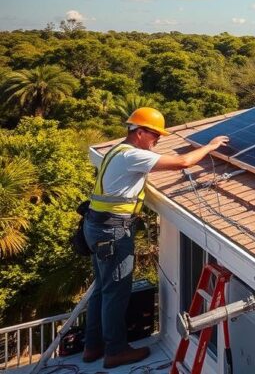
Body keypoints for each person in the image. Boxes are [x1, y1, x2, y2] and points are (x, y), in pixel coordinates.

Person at [84, 107, 228, 368]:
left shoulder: (118, 150)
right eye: (155, 136)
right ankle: (115, 351)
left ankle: (92, 347)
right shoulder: (133, 156)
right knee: (115, 293)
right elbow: (183, 163)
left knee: (102, 290)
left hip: (96, 226)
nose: (157, 142)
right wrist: (210, 145)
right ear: (139, 132)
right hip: (113, 232)